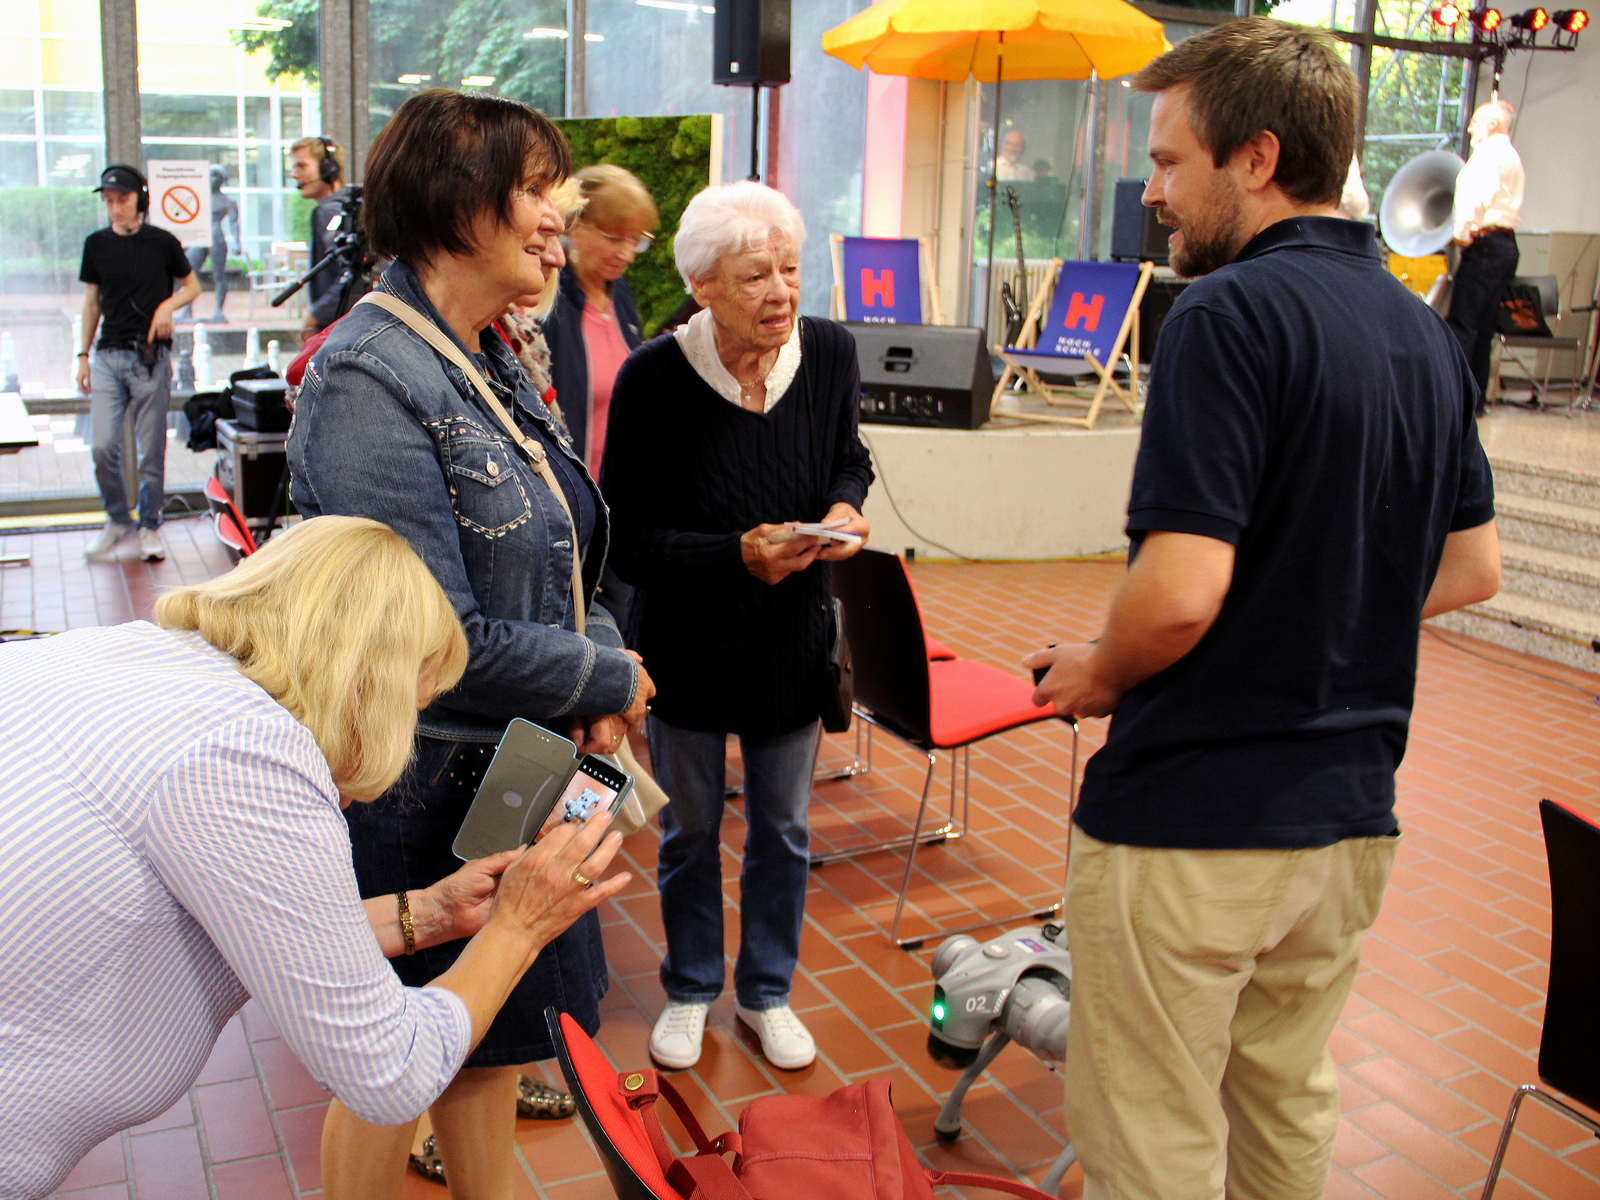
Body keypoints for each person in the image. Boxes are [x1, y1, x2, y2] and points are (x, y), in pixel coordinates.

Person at [1024, 19, 1501, 1200]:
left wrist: (1095, 667)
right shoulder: (1424, 335)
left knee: (1151, 1141)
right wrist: (1319, 623)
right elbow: (1470, 569)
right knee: (1281, 1108)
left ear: (1256, 157)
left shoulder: (1222, 318)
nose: (1152, 196)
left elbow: (1180, 596)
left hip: (1195, 819)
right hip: (1345, 825)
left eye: (1170, 162)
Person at [0, 516, 630, 1200]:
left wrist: (427, 912)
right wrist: (520, 926)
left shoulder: (128, 655)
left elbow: (277, 929)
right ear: (365, 686)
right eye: (410, 711)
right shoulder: (248, 755)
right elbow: (391, 1075)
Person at [287, 89, 653, 1200]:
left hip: (517, 756)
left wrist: (592, 664)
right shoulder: (368, 374)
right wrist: (610, 671)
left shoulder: (488, 349)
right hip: (423, 779)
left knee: (486, 1040)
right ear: (459, 203)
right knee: (392, 1067)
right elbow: (429, 638)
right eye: (538, 190)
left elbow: (563, 547)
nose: (563, 214)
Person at [602, 181, 874, 1073]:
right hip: (685, 641)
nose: (781, 293)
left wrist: (843, 508)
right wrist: (735, 555)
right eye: (755, 275)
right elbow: (630, 539)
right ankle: (689, 986)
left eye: (791, 269)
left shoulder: (829, 353)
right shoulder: (653, 378)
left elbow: (848, 456)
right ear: (704, 284)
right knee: (687, 830)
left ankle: (765, 992)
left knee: (785, 833)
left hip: (792, 639)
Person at [76, 164, 200, 565]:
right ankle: (117, 519)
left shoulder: (162, 242)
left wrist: (167, 305)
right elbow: (92, 301)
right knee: (102, 446)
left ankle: (149, 524)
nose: (116, 208)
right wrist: (82, 355)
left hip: (150, 359)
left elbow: (193, 285)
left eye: (123, 200)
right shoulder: (96, 244)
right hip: (108, 356)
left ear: (141, 200)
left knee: (152, 450)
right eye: (109, 201)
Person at [542, 163, 656, 479]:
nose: (628, 254)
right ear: (575, 226)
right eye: (615, 238)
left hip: (621, 496)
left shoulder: (621, 295)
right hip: (572, 494)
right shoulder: (547, 301)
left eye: (637, 241)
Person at [1448, 99, 1524, 408]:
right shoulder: (1511, 154)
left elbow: (1481, 194)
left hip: (1486, 244)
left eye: (1476, 121)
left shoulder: (1490, 153)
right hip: (1505, 245)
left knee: (1463, 323)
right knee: (1483, 328)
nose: (1470, 128)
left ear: (1493, 124)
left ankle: (1456, 400)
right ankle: (1475, 400)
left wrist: (1462, 233)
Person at [288, 135, 353, 334]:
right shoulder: (346, 207)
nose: (294, 174)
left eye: (302, 166)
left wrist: (315, 317)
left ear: (328, 169)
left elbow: (349, 275)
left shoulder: (328, 212)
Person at [177, 164, 241, 322]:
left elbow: (235, 223)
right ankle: (187, 309)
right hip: (199, 237)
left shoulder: (228, 200)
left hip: (216, 237)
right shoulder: (198, 197)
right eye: (210, 175)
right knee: (190, 272)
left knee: (219, 274)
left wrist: (237, 243)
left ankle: (218, 310)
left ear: (222, 179)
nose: (212, 179)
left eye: (215, 176)